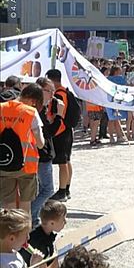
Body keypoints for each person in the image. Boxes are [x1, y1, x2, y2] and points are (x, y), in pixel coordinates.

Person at [0, 84, 45, 215]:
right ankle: (24, 235)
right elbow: (40, 143)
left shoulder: (1, 108)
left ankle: (10, 234)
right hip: (26, 166)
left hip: (4, 164)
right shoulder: (30, 112)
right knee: (25, 208)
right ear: (33, 100)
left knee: (9, 207)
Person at [30, 78, 64, 225]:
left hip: (43, 154)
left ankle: (34, 217)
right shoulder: (36, 110)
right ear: (40, 90)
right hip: (41, 155)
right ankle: (30, 215)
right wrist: (59, 115)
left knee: (39, 189)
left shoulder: (42, 109)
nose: (52, 95)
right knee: (48, 189)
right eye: (49, 91)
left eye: (53, 91)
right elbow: (49, 133)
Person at [46, 69, 76, 201]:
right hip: (67, 130)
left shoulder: (59, 95)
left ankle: (62, 191)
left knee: (62, 162)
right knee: (66, 160)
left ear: (51, 80)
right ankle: (66, 189)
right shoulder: (65, 91)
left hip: (61, 131)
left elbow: (60, 115)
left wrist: (53, 132)